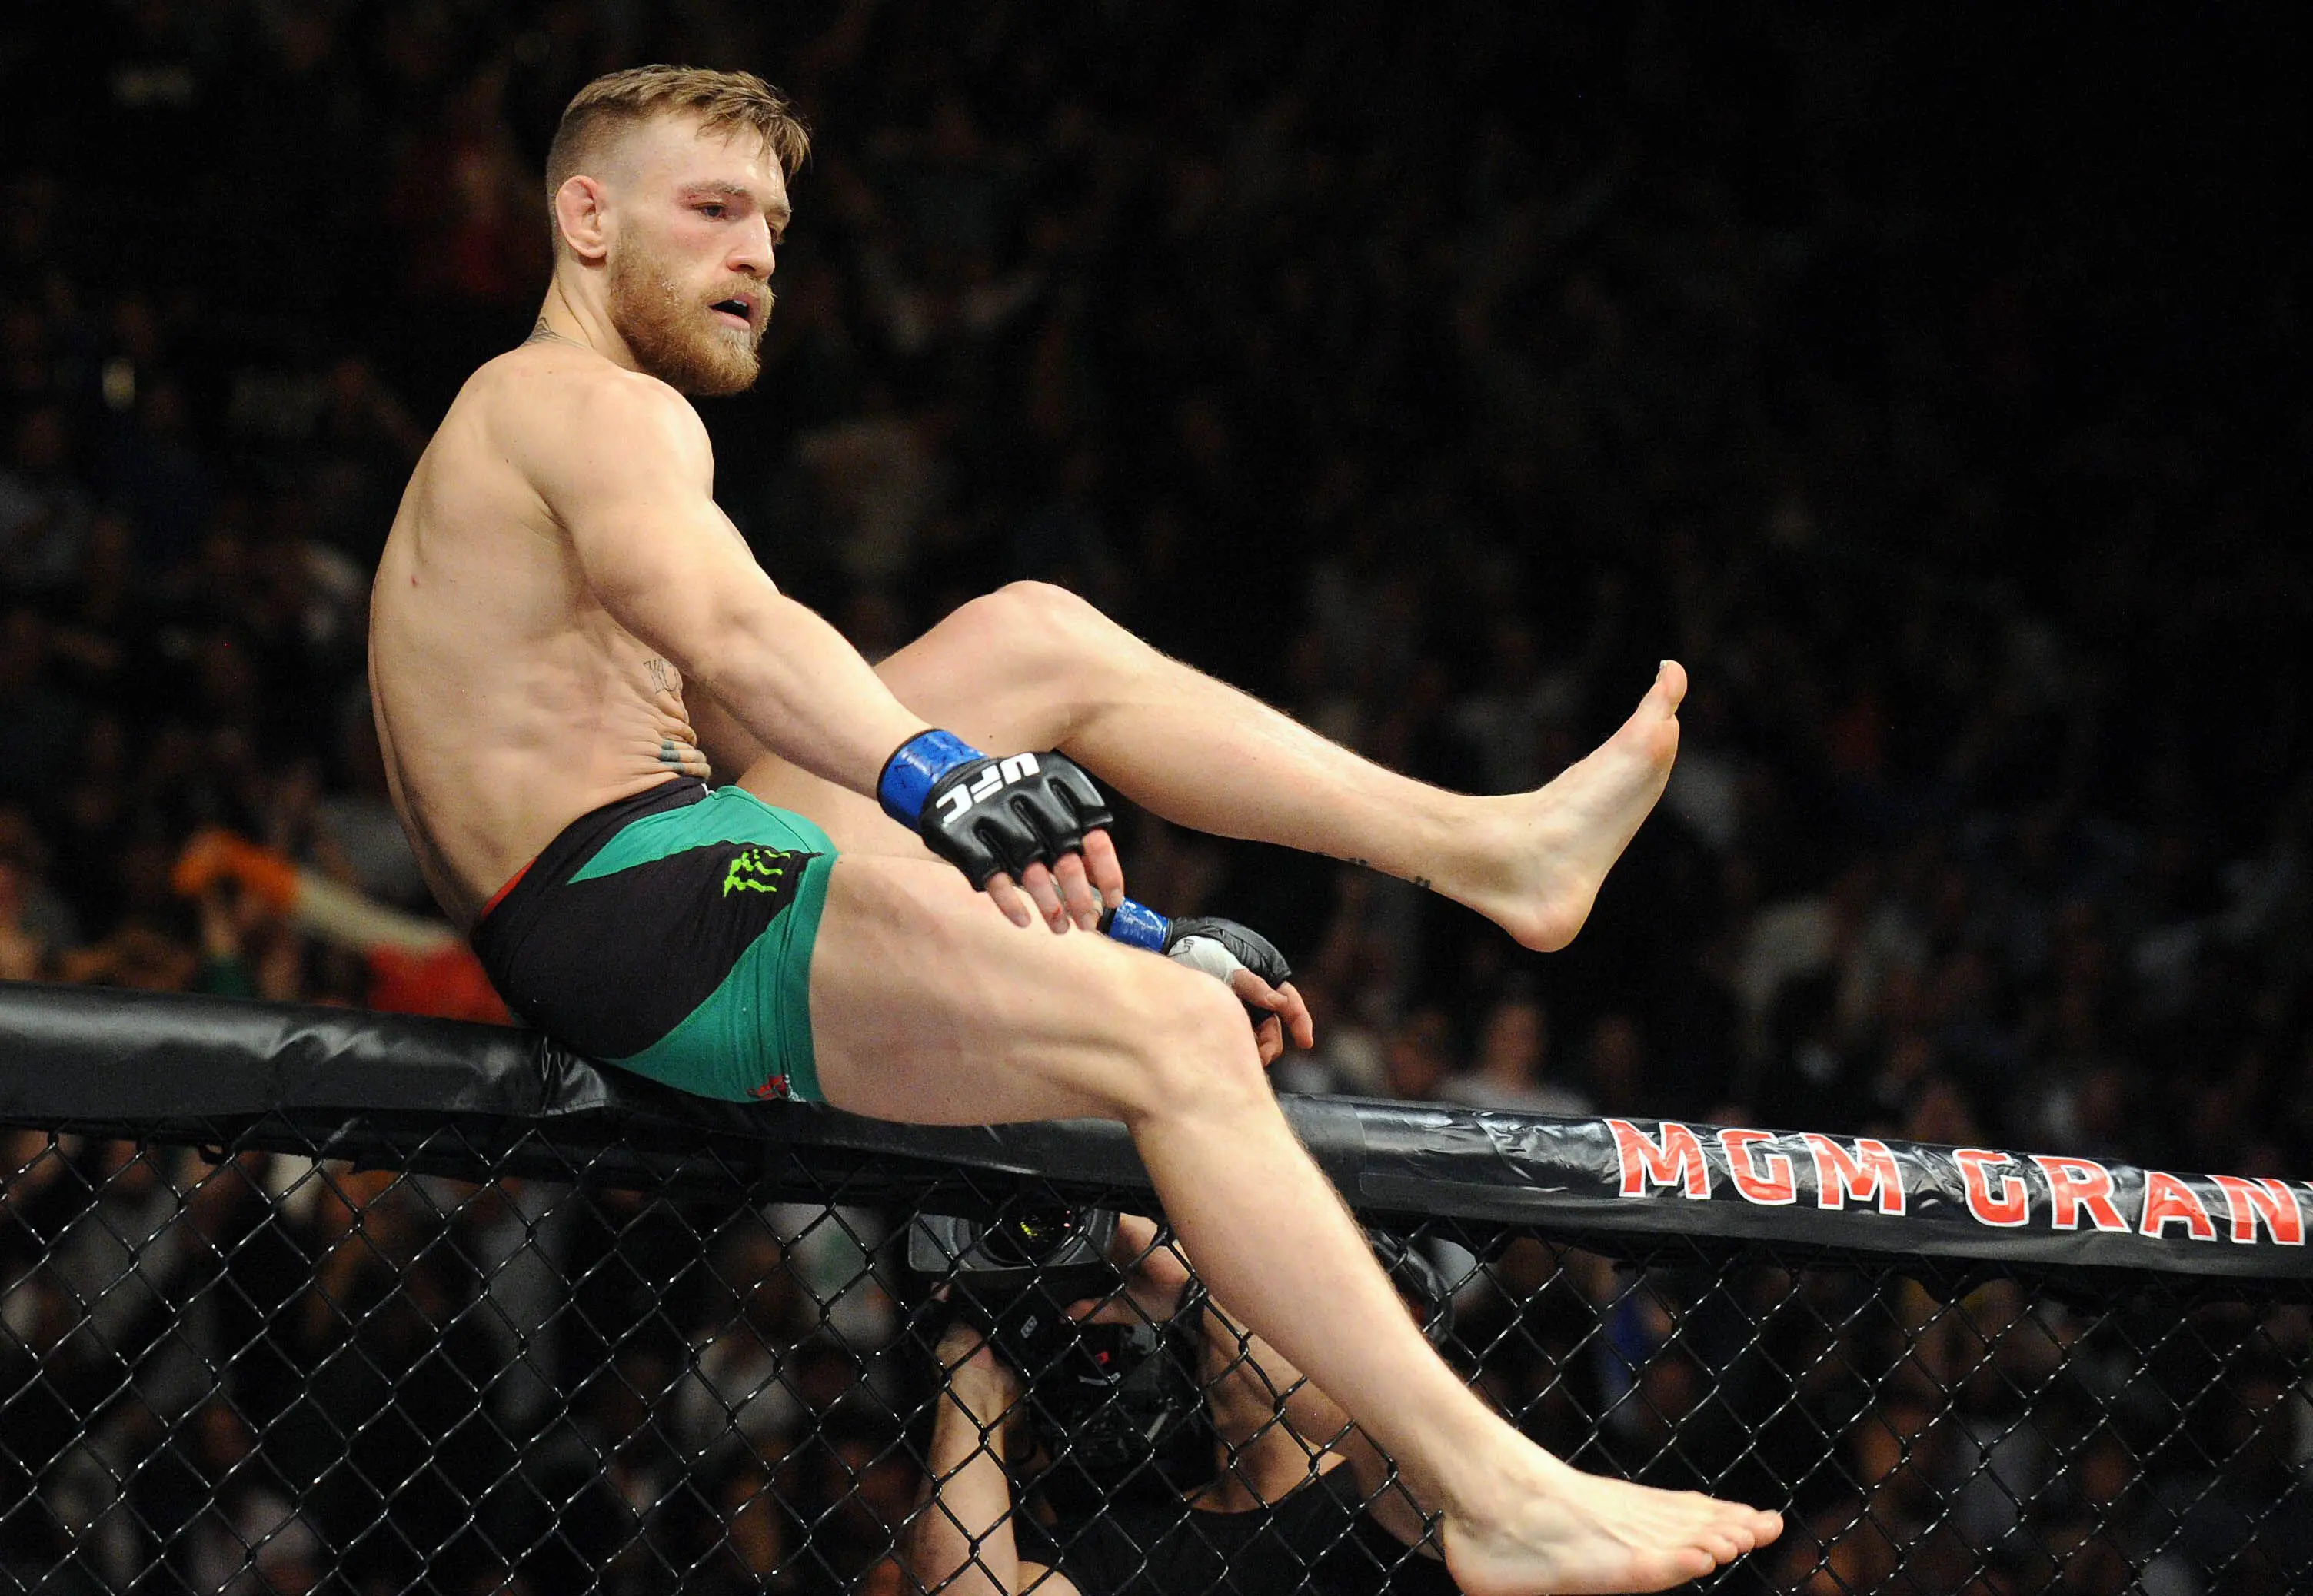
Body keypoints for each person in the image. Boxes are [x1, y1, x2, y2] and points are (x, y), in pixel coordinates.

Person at [366, 65, 1780, 1592]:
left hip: (656, 860)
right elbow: (727, 627)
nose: (757, 255)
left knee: (1035, 636)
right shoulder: (582, 408)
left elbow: (736, 743)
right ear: (584, 216)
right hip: (627, 900)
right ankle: (1495, 1489)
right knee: (1170, 1041)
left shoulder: (533, 434)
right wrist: (942, 780)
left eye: (773, 222)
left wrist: (1100, 915)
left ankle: (1493, 853)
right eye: (710, 211)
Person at [909, 1213, 1462, 1595]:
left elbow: (1416, 1446)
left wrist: (1195, 1290)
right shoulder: (1129, 1538)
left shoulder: (1386, 1504)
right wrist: (973, 1381)